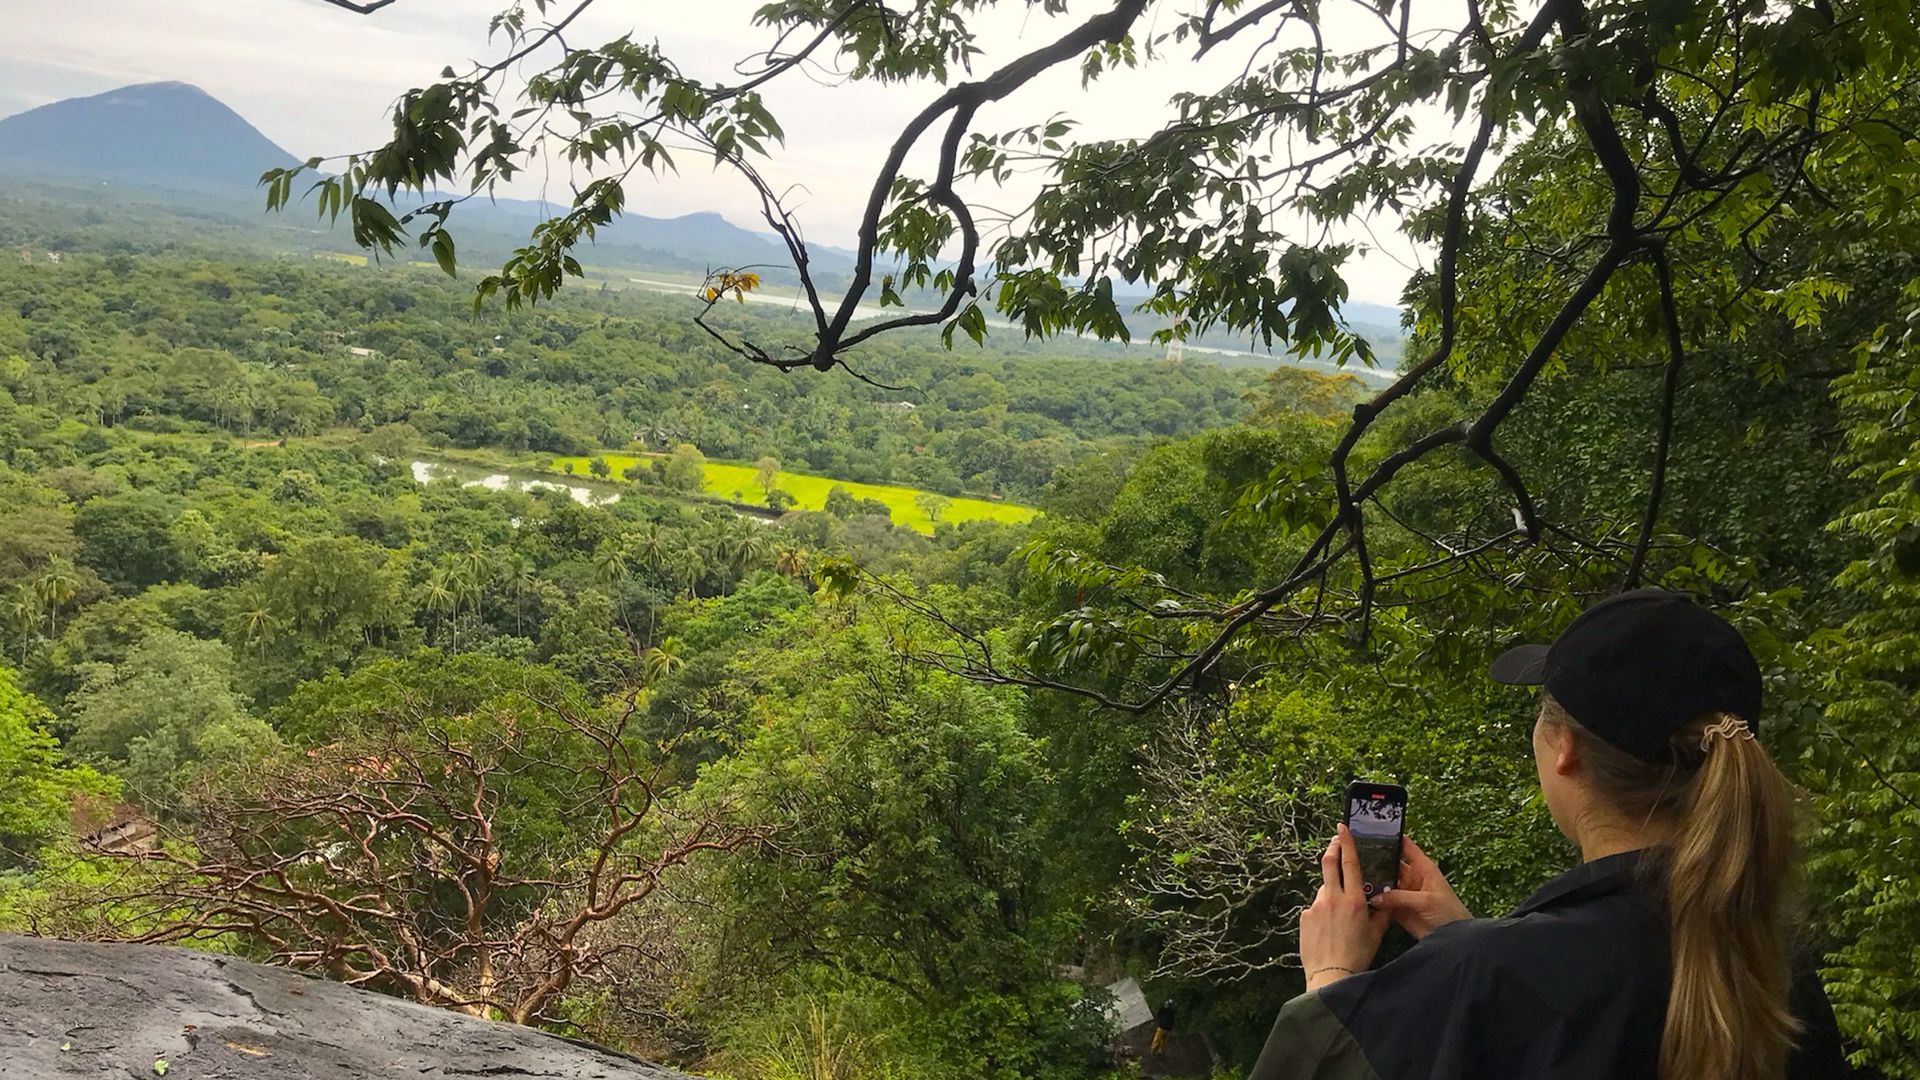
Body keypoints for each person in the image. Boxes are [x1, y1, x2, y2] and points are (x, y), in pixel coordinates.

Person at [1248, 589, 1848, 1080]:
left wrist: (1330, 986)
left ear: (1565, 748)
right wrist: (1475, 940)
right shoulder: (1775, 971)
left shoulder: (1479, 980)